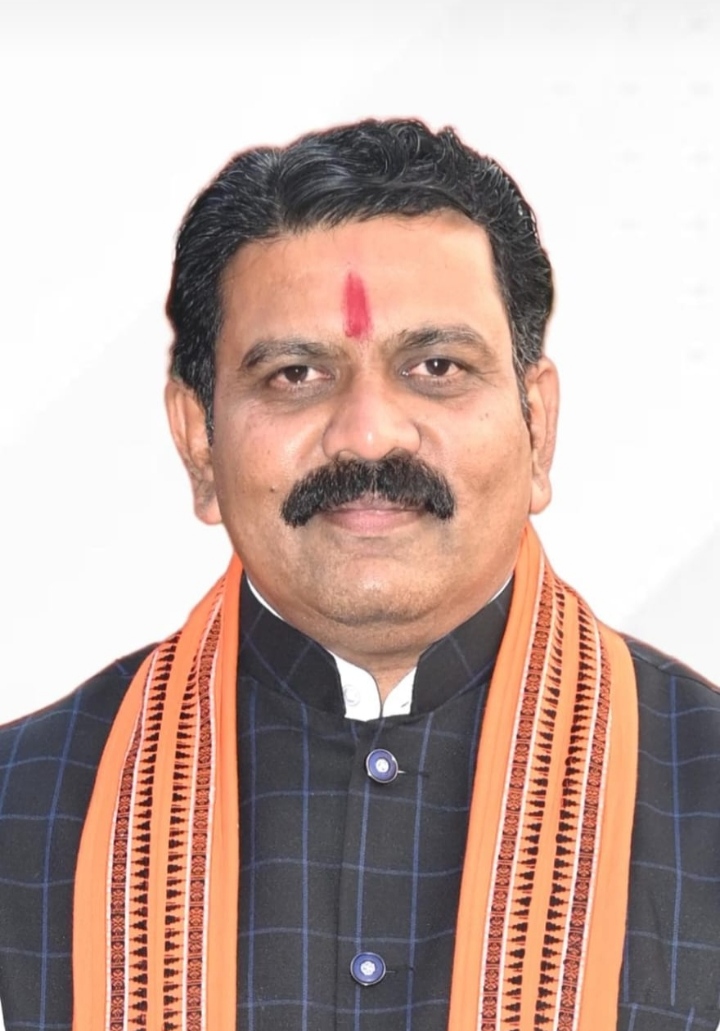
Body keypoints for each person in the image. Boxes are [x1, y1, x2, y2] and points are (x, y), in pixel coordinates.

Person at [0, 118, 718, 1031]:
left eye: (437, 366)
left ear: (537, 427)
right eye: (296, 374)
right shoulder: (22, 806)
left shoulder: (704, 790)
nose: (370, 434)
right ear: (197, 444)